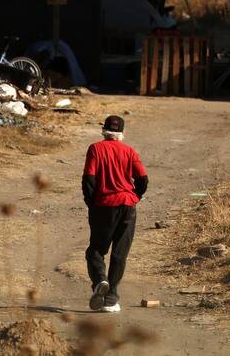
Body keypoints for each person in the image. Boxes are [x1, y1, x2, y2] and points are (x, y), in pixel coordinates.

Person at [82, 114, 148, 313]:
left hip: (104, 206)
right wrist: (134, 196)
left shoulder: (95, 149)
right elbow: (143, 180)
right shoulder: (129, 151)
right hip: (128, 206)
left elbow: (89, 180)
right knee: (120, 254)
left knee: (96, 250)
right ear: (122, 133)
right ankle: (111, 299)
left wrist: (91, 203)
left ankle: (100, 280)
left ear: (104, 131)